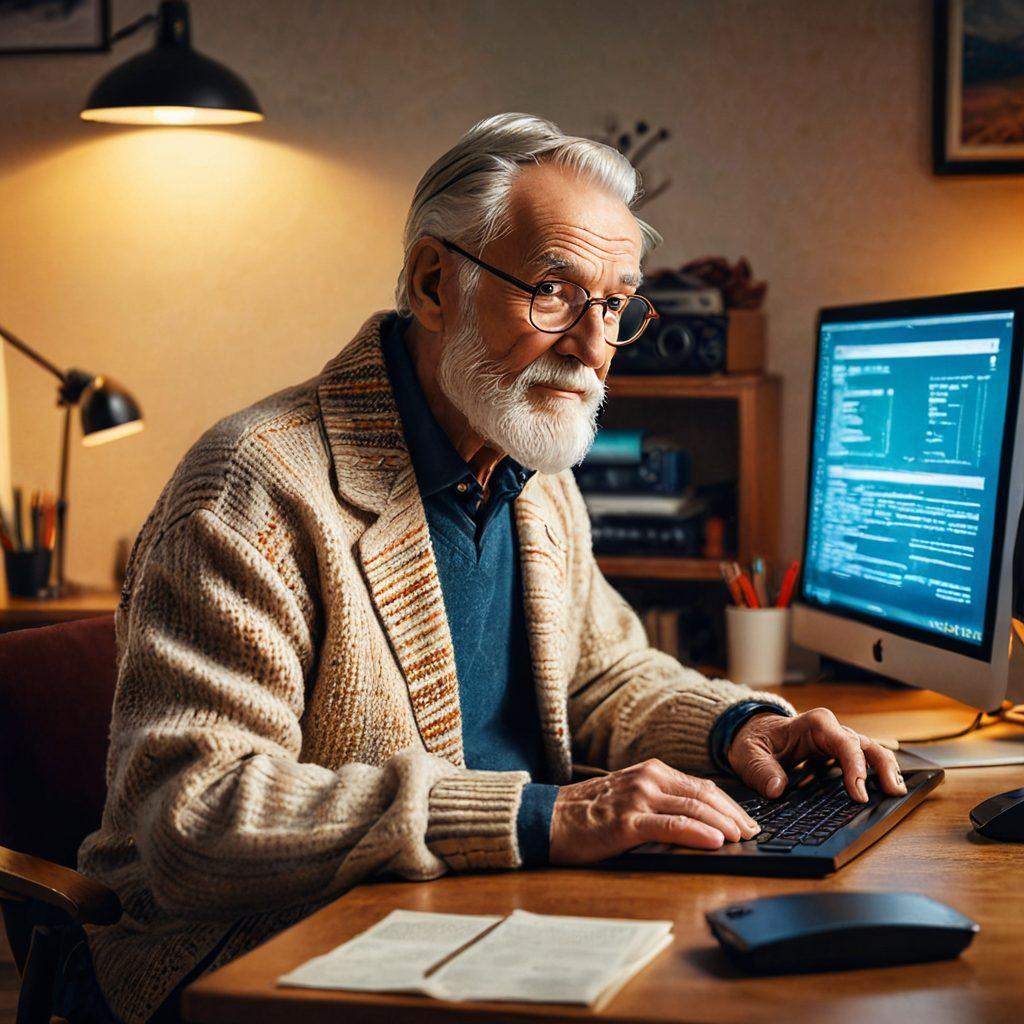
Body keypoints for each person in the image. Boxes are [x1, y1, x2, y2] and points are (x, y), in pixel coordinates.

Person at [69, 113, 905, 1024]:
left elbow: (602, 675)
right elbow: (196, 816)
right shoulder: (255, 486)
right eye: (554, 293)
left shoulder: (531, 463)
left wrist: (738, 727)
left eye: (615, 304)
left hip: (480, 915)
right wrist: (546, 817)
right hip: (253, 955)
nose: (592, 346)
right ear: (435, 282)